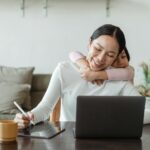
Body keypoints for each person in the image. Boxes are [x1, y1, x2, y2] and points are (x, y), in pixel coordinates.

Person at [14, 24, 150, 128]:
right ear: (89, 43)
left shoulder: (119, 80)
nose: (101, 58)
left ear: (116, 57)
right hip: (67, 141)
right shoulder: (64, 70)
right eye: (97, 49)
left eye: (110, 55)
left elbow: (147, 109)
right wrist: (28, 117)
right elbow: (45, 109)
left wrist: (120, 118)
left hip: (108, 143)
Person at [69, 46, 134, 84]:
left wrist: (95, 75)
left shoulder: (129, 69)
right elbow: (73, 54)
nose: (120, 62)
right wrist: (86, 67)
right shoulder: (104, 67)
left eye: (123, 56)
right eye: (115, 60)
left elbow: (127, 74)